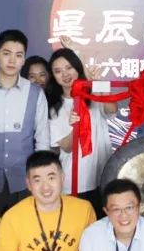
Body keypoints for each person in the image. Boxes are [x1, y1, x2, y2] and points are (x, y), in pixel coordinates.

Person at [0, 29, 50, 212]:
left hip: (25, 180)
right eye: (6, 53)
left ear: (24, 59)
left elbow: (42, 139)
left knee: (23, 228)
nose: (12, 61)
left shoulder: (35, 93)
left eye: (18, 55)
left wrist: (40, 177)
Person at [45, 48, 117, 214]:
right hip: (73, 182)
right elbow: (66, 147)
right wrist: (74, 128)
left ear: (77, 68)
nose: (65, 74)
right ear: (53, 76)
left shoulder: (94, 94)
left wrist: (100, 84)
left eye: (69, 68)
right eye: (58, 71)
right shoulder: (53, 107)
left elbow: (112, 109)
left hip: (103, 177)